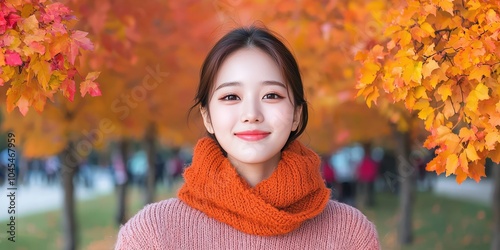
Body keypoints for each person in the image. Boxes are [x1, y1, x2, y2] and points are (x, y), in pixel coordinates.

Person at [115, 26, 380, 249]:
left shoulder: (350, 235)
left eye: (271, 95)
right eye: (231, 97)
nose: (251, 114)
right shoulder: (151, 236)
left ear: (297, 114)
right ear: (207, 116)